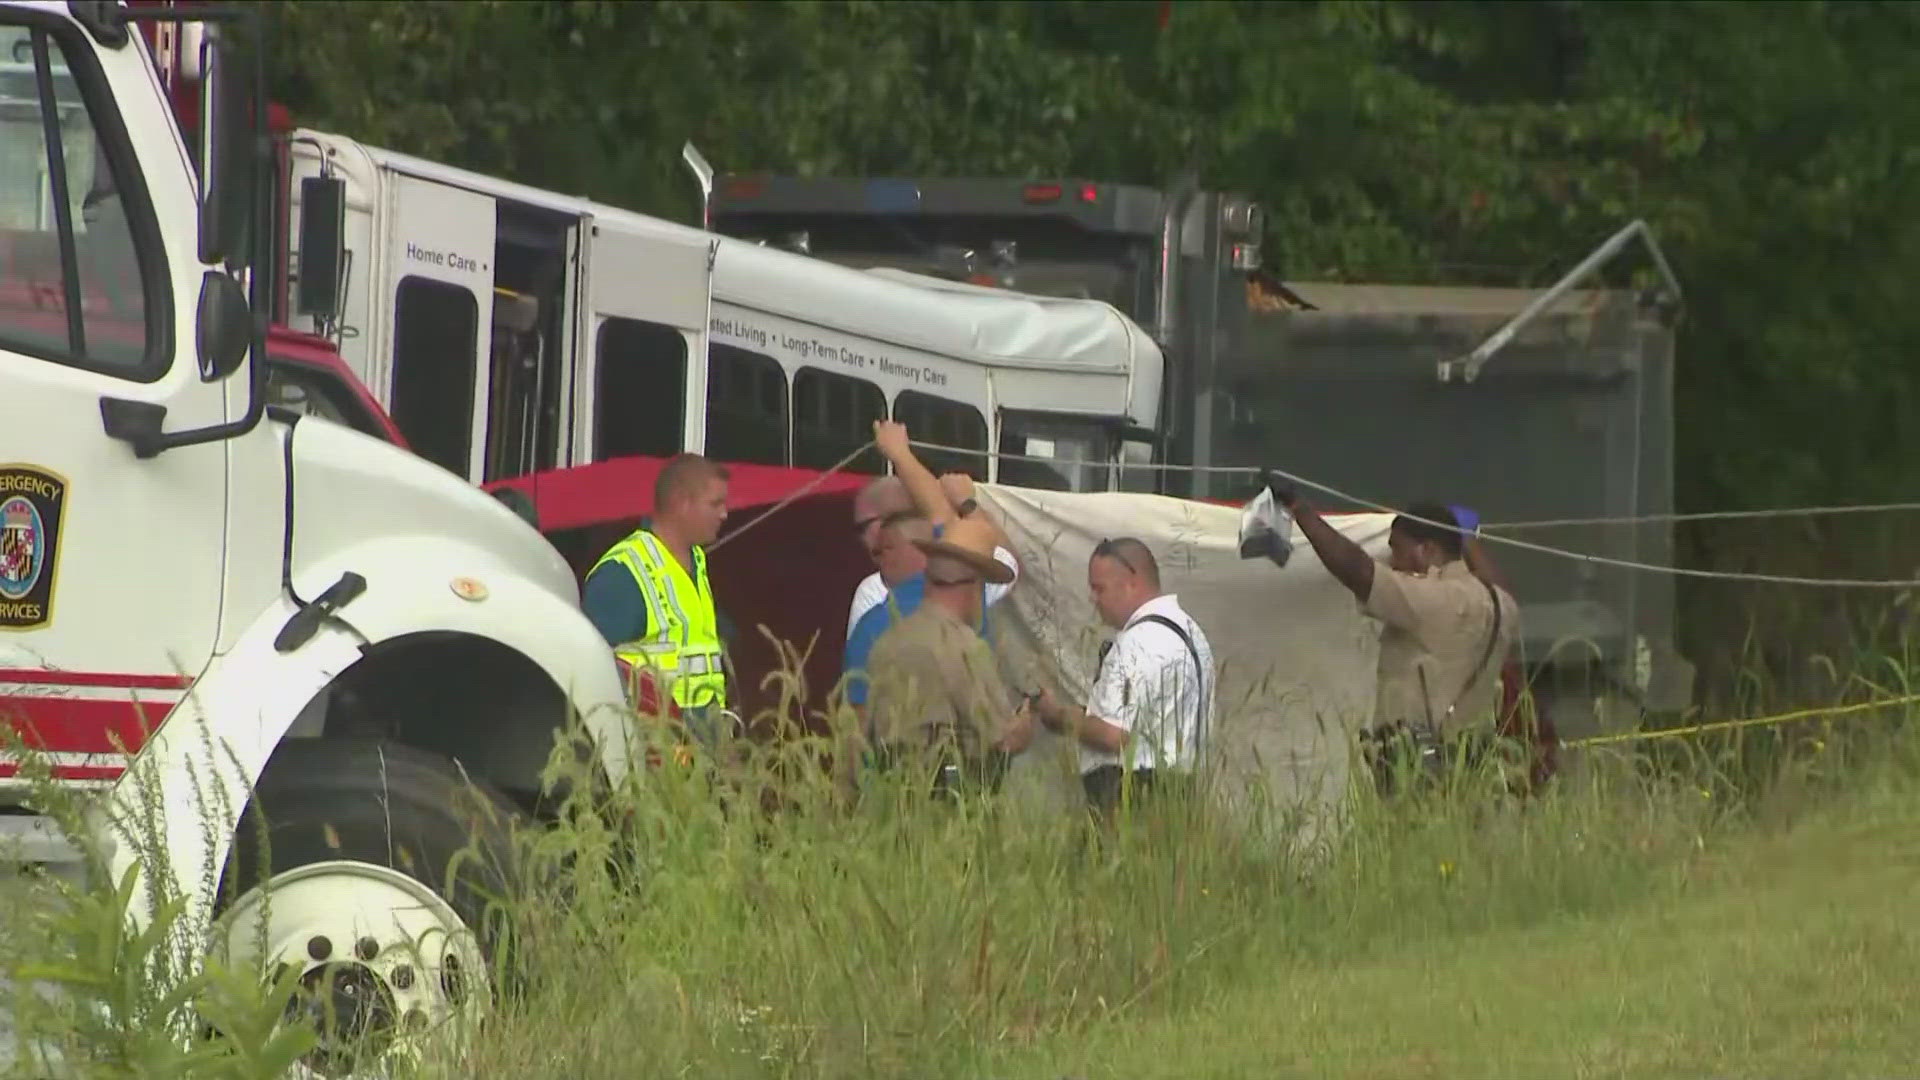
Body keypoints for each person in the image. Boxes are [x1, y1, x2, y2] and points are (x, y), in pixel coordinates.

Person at [1266, 474, 1520, 787]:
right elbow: (1498, 586)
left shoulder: (1436, 600)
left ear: (1427, 550)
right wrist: (1466, 538)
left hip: (1418, 768)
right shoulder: (1501, 605)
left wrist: (1298, 509)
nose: (1393, 561)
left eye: (1397, 549)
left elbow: (1359, 571)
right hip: (1473, 762)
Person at [841, 421, 1020, 708]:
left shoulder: (873, 593)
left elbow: (857, 700)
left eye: (865, 525)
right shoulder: (968, 572)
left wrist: (899, 454)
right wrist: (966, 502)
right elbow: (1003, 556)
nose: (864, 538)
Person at [1035, 537, 1215, 816]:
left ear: (1132, 582)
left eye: (1099, 588)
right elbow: (1146, 721)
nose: (1092, 599)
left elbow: (1114, 735)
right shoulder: (1190, 632)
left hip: (1132, 798)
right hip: (1178, 794)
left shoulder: (1139, 642)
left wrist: (1057, 716)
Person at [861, 514, 1036, 797]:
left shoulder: (887, 641)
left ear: (929, 580)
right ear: (974, 586)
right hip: (947, 810)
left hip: (892, 805)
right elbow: (1002, 739)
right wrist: (1024, 728)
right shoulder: (965, 646)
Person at [583, 453, 733, 741]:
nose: (724, 513)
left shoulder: (697, 561)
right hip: (648, 751)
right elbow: (589, 669)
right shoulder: (623, 572)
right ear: (681, 502)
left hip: (699, 751)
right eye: (715, 504)